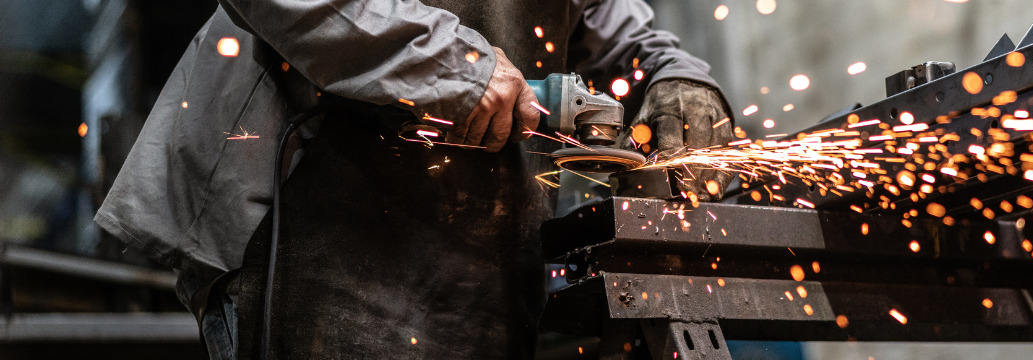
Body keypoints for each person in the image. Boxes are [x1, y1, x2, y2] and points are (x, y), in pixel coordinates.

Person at [94, 0, 733, 358]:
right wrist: (456, 67)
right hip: (311, 240)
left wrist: (678, 77)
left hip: (485, 270)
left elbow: (626, 35)